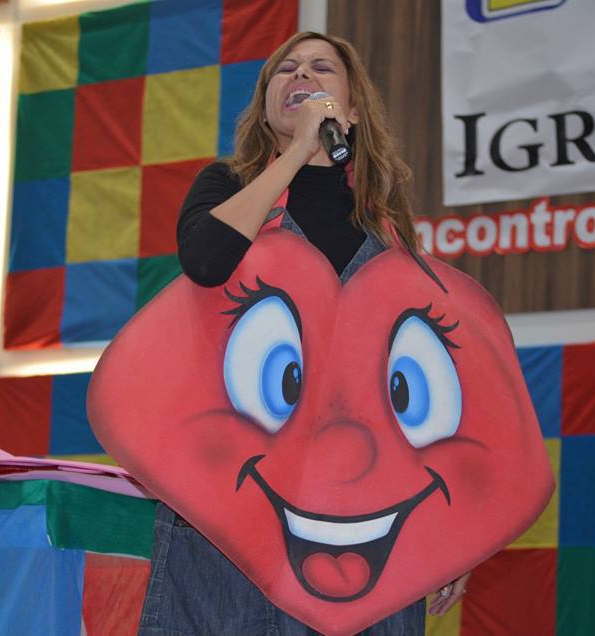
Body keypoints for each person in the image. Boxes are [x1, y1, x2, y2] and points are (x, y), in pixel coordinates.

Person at [137, 32, 470, 636]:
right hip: (231, 508)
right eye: (285, 71)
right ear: (267, 107)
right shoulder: (226, 185)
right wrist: (295, 154)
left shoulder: (388, 225)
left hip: (360, 516)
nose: (301, 76)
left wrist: (454, 532)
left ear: (354, 109)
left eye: (321, 68)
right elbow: (206, 259)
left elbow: (425, 385)